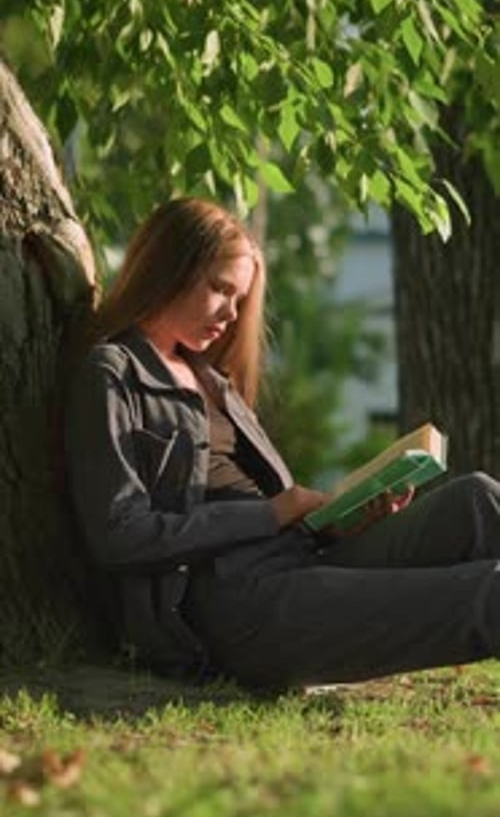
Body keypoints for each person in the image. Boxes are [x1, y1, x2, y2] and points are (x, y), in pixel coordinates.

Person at [65, 197, 500, 691]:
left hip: (302, 562)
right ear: (168, 270)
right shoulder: (113, 373)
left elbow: (280, 518)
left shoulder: (213, 379)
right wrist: (271, 513)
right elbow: (119, 535)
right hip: (234, 604)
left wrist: (342, 523)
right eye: (219, 289)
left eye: (239, 298)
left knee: (480, 499)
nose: (231, 313)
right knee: (489, 592)